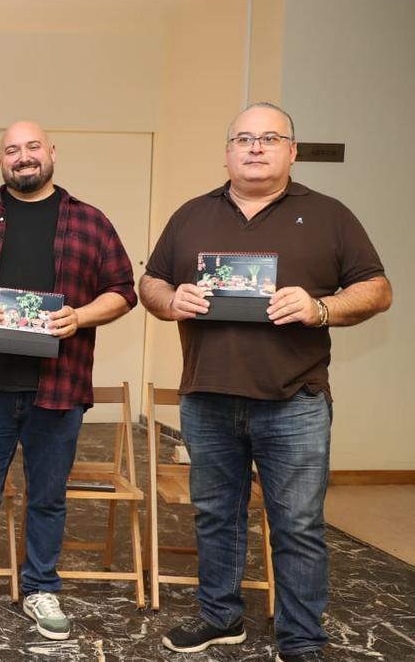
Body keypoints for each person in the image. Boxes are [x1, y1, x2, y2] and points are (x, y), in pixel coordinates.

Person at [140, 102, 391, 662]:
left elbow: (377, 288)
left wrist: (320, 308)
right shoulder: (190, 215)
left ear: (292, 151)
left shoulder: (330, 215)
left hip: (294, 400)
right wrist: (170, 299)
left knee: (297, 525)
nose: (256, 148)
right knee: (214, 515)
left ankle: (301, 639)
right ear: (227, 151)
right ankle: (220, 617)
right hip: (207, 395)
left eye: (270, 138)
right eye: (244, 139)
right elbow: (151, 282)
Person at [0, 121, 136, 637]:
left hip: (58, 390)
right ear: (0, 161)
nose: (23, 157)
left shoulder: (90, 221)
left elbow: (123, 290)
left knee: (48, 496)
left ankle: (41, 588)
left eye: (32, 147)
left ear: (52, 153)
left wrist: (80, 317)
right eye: (12, 150)